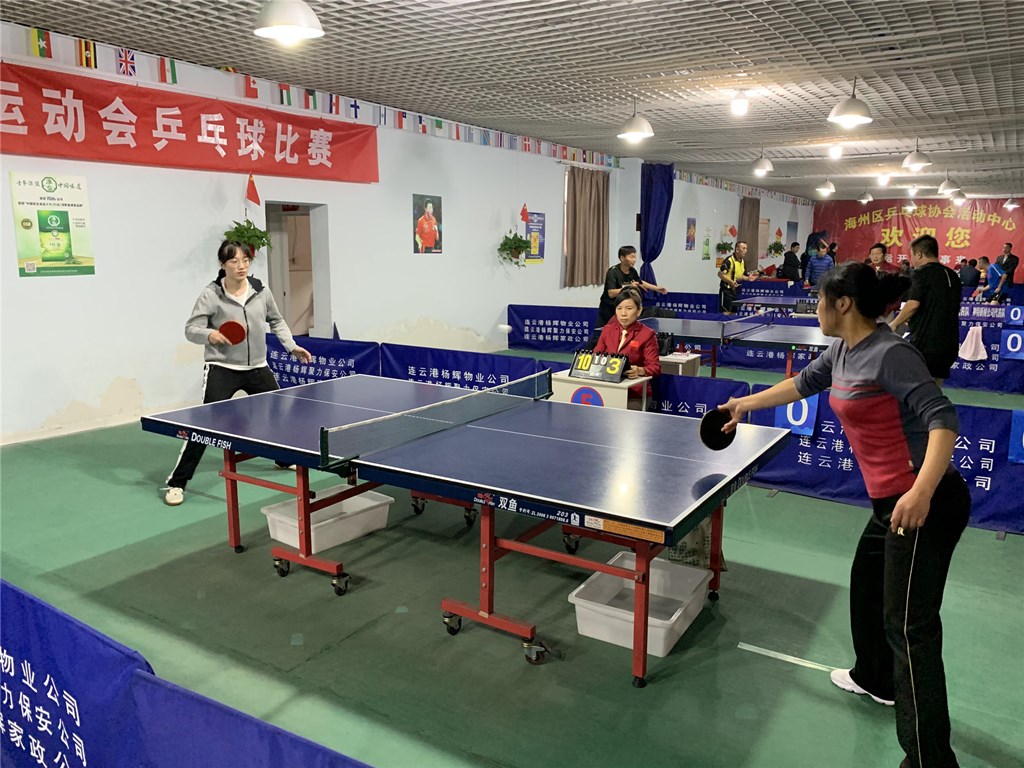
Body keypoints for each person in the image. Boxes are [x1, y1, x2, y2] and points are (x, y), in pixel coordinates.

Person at [717, 262, 969, 768]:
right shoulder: (842, 351)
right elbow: (801, 385)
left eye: (819, 300)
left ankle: (929, 759)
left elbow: (943, 421)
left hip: (924, 502)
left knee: (910, 628)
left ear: (844, 304)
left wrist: (922, 492)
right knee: (866, 585)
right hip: (889, 504)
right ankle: (875, 679)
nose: (816, 308)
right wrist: (746, 404)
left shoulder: (891, 353)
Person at [164, 240, 313, 506]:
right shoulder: (211, 294)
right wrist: (210, 334)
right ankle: (177, 482)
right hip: (223, 368)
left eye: (246, 260)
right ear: (223, 265)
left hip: (257, 367)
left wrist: (291, 346)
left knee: (280, 416)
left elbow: (276, 320)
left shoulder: (260, 290)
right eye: (234, 261)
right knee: (203, 427)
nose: (241, 265)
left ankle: (282, 458)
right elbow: (191, 329)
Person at [888, 235, 962, 382]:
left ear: (919, 254)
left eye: (911, 255)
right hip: (950, 345)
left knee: (914, 387)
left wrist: (894, 324)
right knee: (934, 387)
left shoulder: (920, 273)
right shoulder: (953, 275)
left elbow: (913, 304)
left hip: (925, 344)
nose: (912, 260)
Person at [592, 288, 660, 409]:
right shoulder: (607, 330)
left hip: (634, 394)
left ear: (639, 311)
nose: (623, 313)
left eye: (629, 308)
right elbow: (596, 356)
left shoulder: (647, 334)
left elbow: (655, 367)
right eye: (619, 308)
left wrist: (640, 371)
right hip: (607, 389)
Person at [597, 245, 667, 326]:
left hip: (623, 307)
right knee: (605, 330)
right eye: (631, 257)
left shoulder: (632, 271)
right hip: (609, 309)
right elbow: (611, 293)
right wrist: (630, 286)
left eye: (635, 257)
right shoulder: (612, 272)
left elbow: (640, 282)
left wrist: (657, 288)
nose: (634, 260)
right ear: (622, 258)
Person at [717, 240, 753, 314]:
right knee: (726, 313)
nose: (745, 250)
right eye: (743, 248)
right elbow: (720, 274)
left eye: (746, 249)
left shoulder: (742, 262)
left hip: (736, 291)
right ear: (737, 249)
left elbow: (741, 276)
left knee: (733, 313)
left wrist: (748, 278)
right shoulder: (729, 261)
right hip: (727, 291)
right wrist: (731, 282)